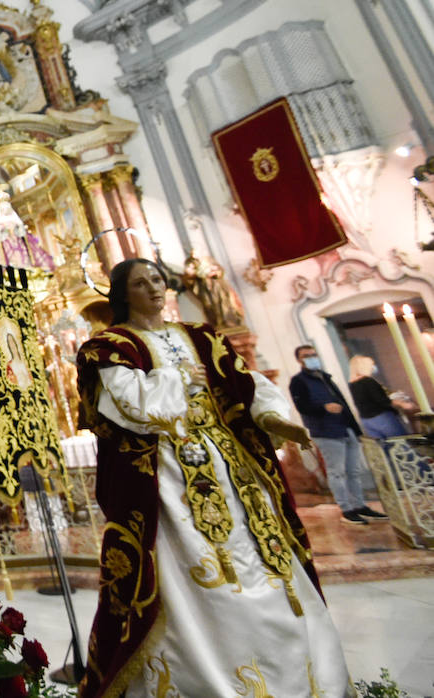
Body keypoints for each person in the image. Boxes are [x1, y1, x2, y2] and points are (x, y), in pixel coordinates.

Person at [76, 258, 351, 698]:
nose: (154, 288)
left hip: (230, 464)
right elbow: (125, 403)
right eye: (141, 282)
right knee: (191, 566)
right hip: (166, 474)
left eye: (158, 280)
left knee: (264, 555)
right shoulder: (109, 345)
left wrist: (275, 417)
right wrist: (177, 379)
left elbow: (247, 384)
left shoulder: (203, 336)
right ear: (122, 293)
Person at [289, 343, 386, 525]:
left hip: (345, 428)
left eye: (313, 354)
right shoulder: (298, 381)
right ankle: (346, 509)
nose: (311, 358)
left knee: (353, 471)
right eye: (306, 356)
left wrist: (355, 429)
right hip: (326, 431)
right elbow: (302, 406)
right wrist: (323, 407)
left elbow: (342, 402)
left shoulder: (325, 377)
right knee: (337, 472)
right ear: (298, 360)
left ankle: (359, 505)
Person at [349, 355, 414, 440]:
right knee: (401, 444)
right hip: (382, 418)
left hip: (366, 420)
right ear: (364, 366)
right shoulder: (368, 381)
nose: (372, 367)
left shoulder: (352, 384)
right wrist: (402, 404)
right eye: (370, 365)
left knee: (384, 449)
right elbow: (382, 401)